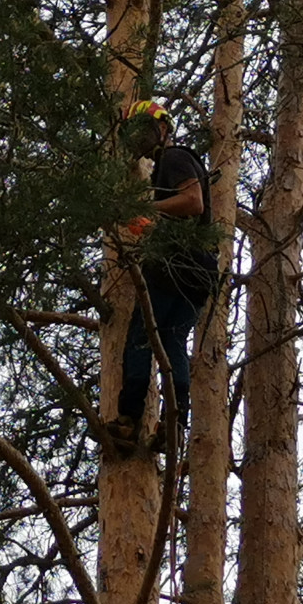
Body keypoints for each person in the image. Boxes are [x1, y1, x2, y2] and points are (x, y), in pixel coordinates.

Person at [106, 100, 217, 454]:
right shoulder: (167, 168)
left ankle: (127, 422)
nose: (139, 139)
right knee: (172, 341)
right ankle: (175, 421)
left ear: (162, 129)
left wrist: (145, 208)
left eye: (143, 130)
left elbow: (193, 201)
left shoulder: (174, 158)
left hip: (176, 265)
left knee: (141, 337)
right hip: (198, 271)